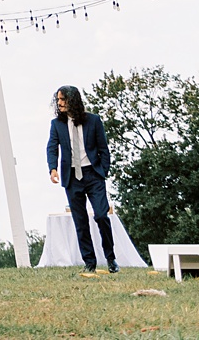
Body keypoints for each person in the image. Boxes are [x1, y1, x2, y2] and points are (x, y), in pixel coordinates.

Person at [45, 85, 116, 274]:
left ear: (72, 100)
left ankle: (111, 258)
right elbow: (52, 147)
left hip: (93, 175)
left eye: (62, 100)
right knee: (80, 222)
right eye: (57, 100)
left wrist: (103, 171)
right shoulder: (56, 124)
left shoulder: (94, 120)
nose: (59, 103)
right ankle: (89, 262)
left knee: (102, 215)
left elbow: (104, 149)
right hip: (71, 177)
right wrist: (53, 169)